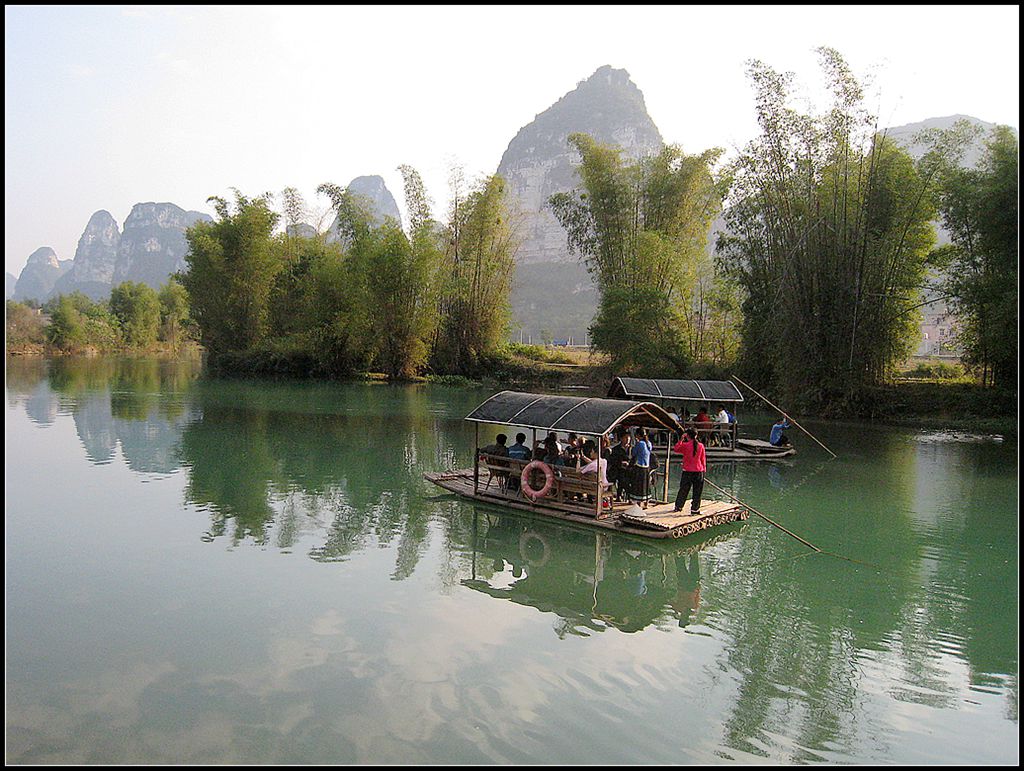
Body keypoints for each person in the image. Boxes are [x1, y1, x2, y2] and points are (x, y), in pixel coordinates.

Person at [672, 427, 706, 514]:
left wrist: (681, 439)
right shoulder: (701, 446)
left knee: (683, 490)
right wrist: (704, 470)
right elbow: (703, 459)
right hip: (699, 471)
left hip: (687, 471)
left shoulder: (685, 445)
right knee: (697, 492)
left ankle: (678, 506)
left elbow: (676, 449)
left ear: (687, 435)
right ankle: (695, 509)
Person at [629, 428, 653, 509]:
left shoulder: (640, 444)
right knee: (646, 486)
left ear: (638, 435)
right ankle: (646, 504)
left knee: (640, 486)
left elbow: (633, 453)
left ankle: (639, 504)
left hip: (640, 467)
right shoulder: (649, 443)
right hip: (647, 468)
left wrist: (633, 446)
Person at [607, 432, 632, 502]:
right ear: (621, 439)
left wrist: (629, 464)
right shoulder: (616, 449)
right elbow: (612, 460)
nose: (627, 439)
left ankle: (628, 495)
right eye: (625, 438)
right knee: (621, 477)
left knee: (626, 478)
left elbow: (634, 459)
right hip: (618, 469)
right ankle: (621, 495)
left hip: (629, 470)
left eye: (628, 438)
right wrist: (620, 463)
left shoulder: (632, 449)